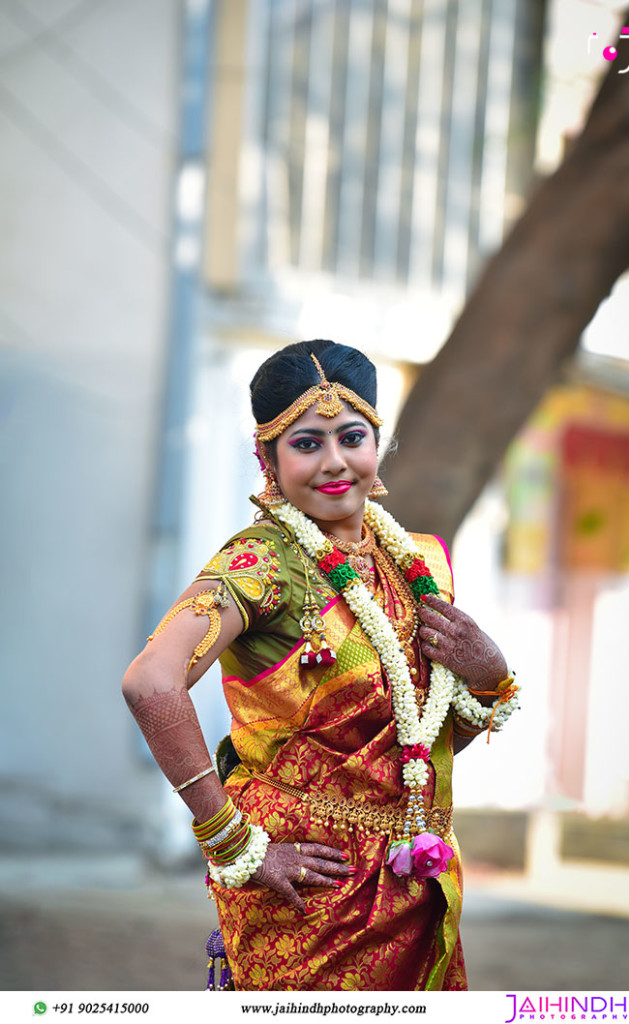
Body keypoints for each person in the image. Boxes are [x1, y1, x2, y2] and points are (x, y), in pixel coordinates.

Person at [122, 339, 519, 991]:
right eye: (306, 443)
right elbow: (149, 682)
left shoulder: (418, 563)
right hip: (308, 894)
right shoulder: (262, 564)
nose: (334, 462)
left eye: (351, 437)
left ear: (376, 442)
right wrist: (233, 843)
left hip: (414, 882)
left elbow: (417, 746)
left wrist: (489, 673)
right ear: (267, 458)